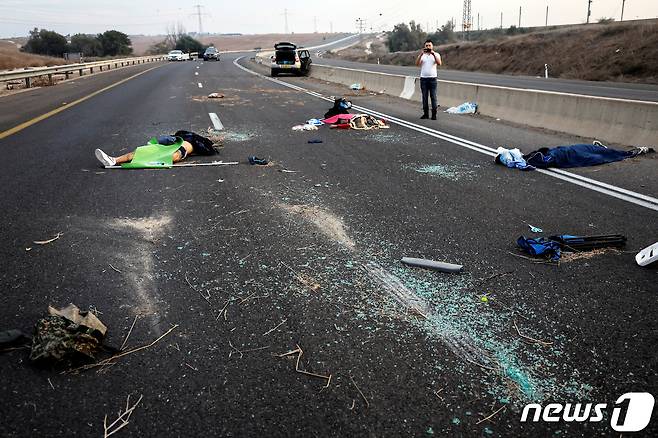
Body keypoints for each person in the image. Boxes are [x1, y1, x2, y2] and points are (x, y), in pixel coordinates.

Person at [95, 130, 220, 167]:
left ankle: (114, 160)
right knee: (144, 152)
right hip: (179, 146)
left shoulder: (188, 138)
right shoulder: (192, 138)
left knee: (174, 154)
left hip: (176, 147)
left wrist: (152, 144)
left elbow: (160, 140)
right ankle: (113, 160)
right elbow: (208, 151)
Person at [415, 39, 442, 120]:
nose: (428, 47)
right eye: (426, 46)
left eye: (429, 45)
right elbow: (417, 64)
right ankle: (425, 114)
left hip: (433, 79)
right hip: (423, 79)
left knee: (433, 96)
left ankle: (434, 114)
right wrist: (420, 55)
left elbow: (439, 63)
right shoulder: (422, 55)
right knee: (424, 97)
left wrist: (433, 54)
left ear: (432, 46)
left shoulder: (436, 54)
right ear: (424, 47)